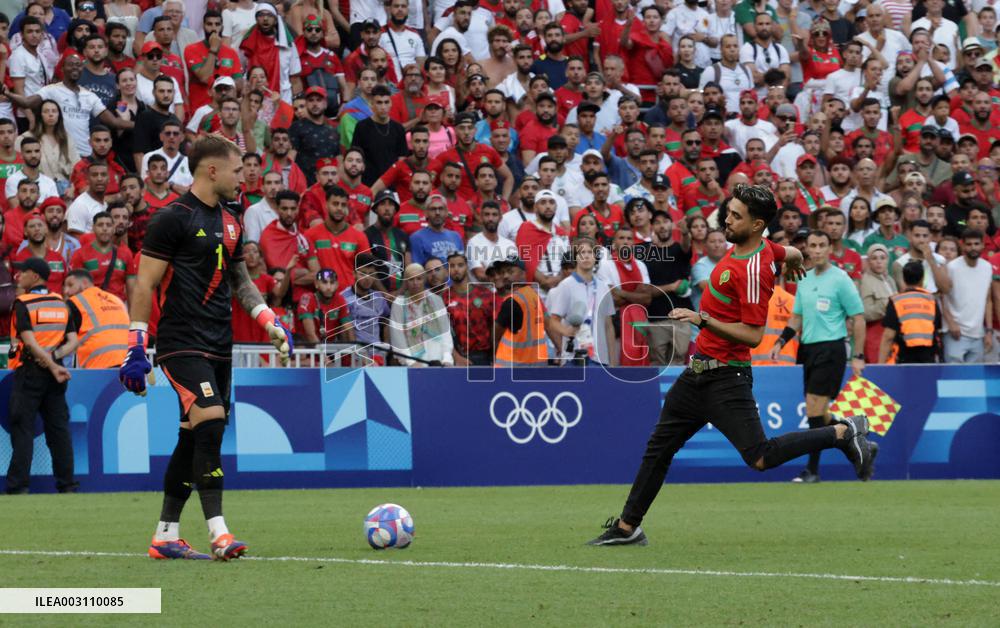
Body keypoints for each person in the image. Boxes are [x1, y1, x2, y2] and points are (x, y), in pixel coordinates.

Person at [587, 184, 875, 546]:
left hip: (727, 376)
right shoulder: (761, 248)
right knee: (658, 448)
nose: (727, 218)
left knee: (760, 458)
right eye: (729, 211)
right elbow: (789, 251)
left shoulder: (752, 270)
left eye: (736, 216)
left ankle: (842, 432)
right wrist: (797, 260)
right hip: (697, 375)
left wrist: (700, 319)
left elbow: (754, 336)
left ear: (756, 225)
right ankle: (628, 528)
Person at [118, 136, 292, 561]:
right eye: (237, 170)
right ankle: (219, 532)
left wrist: (267, 320)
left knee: (193, 436)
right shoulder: (170, 219)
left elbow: (240, 281)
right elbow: (145, 283)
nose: (243, 177)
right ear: (211, 171)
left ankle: (165, 536)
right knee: (211, 423)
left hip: (219, 345)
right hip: (181, 342)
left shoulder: (233, 219)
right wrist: (136, 346)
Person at [773, 230, 867, 483]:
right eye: (812, 245)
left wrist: (858, 354)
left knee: (815, 411)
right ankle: (857, 442)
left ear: (829, 248)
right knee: (821, 416)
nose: (816, 250)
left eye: (821, 245)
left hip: (832, 348)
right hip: (809, 349)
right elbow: (797, 317)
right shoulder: (803, 279)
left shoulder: (841, 279)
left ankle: (812, 471)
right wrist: (781, 341)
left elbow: (858, 317)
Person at [6, 256, 79, 494]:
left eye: (23, 272)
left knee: (22, 428)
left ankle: (18, 486)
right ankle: (67, 485)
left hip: (31, 372)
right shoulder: (61, 302)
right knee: (58, 430)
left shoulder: (23, 303)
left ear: (34, 276)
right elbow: (73, 342)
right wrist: (55, 358)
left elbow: (28, 340)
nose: (18, 276)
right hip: (55, 374)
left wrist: (47, 362)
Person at [548, 237, 616, 366]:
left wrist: (612, 361)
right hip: (573, 356)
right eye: (581, 253)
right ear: (576, 258)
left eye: (590, 252)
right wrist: (565, 331)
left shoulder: (603, 287)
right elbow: (553, 321)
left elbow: (608, 326)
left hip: (599, 359)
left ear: (595, 257)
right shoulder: (566, 285)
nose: (586, 256)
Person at [941, 229, 993, 363]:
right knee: (954, 378)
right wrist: (951, 323)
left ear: (983, 245)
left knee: (975, 380)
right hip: (955, 333)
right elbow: (942, 297)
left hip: (978, 334)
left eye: (976, 244)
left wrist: (989, 331)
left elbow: (988, 301)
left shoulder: (987, 267)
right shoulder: (952, 267)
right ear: (962, 246)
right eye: (969, 244)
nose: (973, 247)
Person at [389, 262, 454, 366]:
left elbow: (445, 332)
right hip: (413, 364)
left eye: (419, 278)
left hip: (438, 360)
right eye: (411, 279)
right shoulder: (398, 304)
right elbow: (397, 337)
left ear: (424, 279)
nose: (415, 283)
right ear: (405, 282)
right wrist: (410, 362)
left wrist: (447, 358)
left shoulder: (436, 299)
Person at [62, 269, 129, 368]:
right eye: (64, 287)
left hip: (98, 367)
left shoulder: (75, 302)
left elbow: (65, 340)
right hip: (129, 364)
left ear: (85, 283)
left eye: (70, 285)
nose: (66, 291)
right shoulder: (116, 300)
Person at [880, 260, 941, 364]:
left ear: (904, 279)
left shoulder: (896, 301)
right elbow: (937, 329)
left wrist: (880, 365)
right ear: (922, 279)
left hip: (904, 357)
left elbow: (888, 336)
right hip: (928, 358)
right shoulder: (931, 300)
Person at [443, 252, 495, 365]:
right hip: (456, 357)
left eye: (460, 265)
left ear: (467, 267)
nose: (456, 269)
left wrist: (494, 355)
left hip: (484, 356)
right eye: (452, 266)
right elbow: (442, 333)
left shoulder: (485, 294)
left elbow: (494, 327)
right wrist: (456, 357)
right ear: (447, 269)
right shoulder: (443, 298)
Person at [859, 243, 898, 363]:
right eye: (874, 258)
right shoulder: (865, 281)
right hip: (874, 334)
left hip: (891, 331)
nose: (879, 262)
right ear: (869, 262)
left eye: (882, 258)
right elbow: (865, 312)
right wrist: (887, 306)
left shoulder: (890, 280)